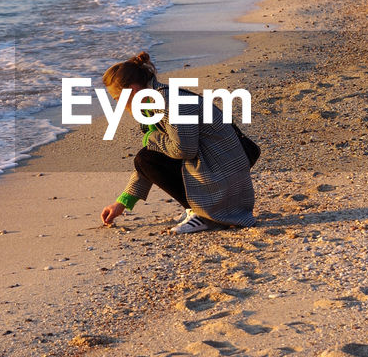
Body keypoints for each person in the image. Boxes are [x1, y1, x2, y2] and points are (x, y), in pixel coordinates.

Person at [100, 51, 255, 235]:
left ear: (131, 90)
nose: (118, 104)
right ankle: (199, 209)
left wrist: (151, 137)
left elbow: (184, 149)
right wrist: (122, 202)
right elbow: (158, 155)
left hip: (224, 181)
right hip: (225, 178)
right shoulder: (155, 101)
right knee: (147, 157)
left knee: (146, 158)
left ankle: (205, 216)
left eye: (117, 98)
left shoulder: (168, 101)